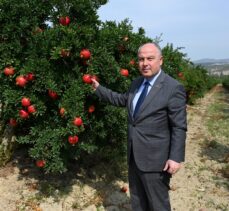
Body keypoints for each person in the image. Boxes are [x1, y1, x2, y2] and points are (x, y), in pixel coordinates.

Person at [91, 42, 187, 211]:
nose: (145, 63)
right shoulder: (136, 83)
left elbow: (179, 126)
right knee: (137, 201)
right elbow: (122, 100)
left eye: (150, 58)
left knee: (158, 204)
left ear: (161, 60)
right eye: (141, 59)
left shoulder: (173, 88)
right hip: (134, 155)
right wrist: (99, 89)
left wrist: (175, 157)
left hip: (157, 160)